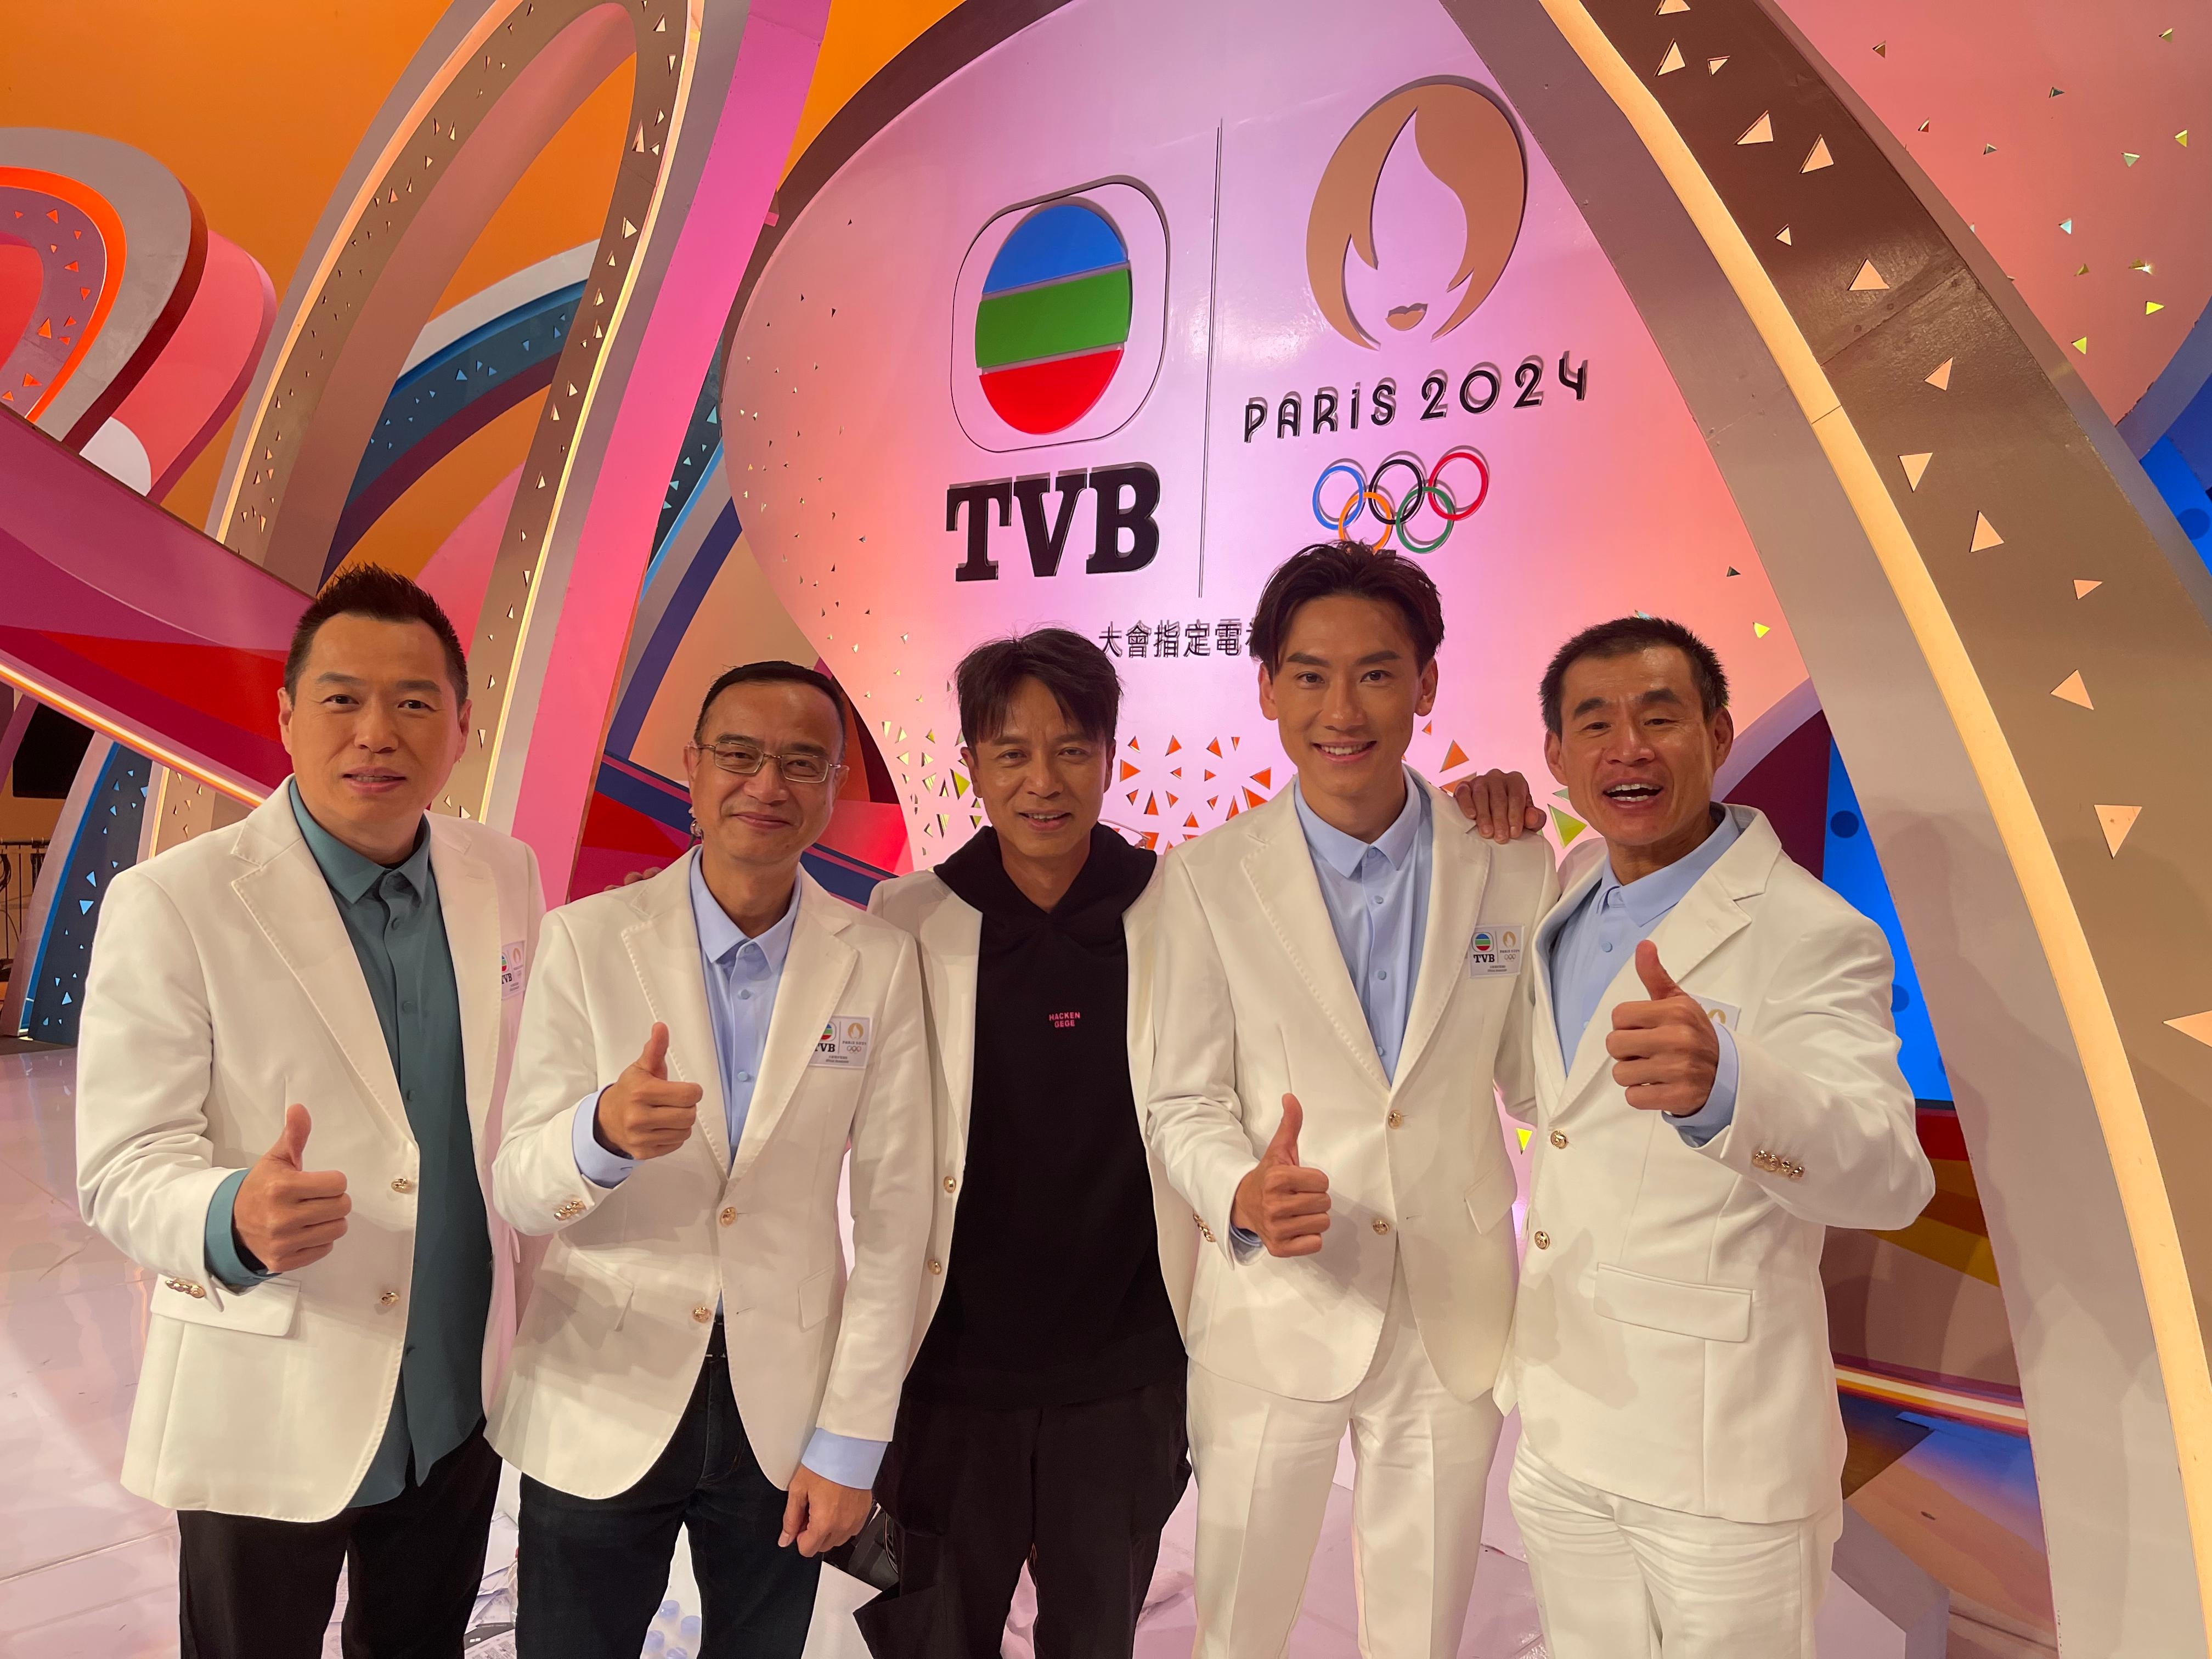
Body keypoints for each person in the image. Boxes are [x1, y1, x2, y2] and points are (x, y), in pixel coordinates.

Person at [75, 566, 544, 1658]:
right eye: (342, 699)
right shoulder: (176, 901)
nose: (377, 732)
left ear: (462, 726)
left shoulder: (503, 873)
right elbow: (122, 1163)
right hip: (270, 1395)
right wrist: (228, 1216)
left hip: (455, 1395)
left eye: (414, 702)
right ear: (287, 716)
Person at [1145, 541, 1558, 1659]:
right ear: (1268, 689)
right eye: (1311, 675)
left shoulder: (1513, 860)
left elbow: (1538, 1075)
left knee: (1421, 1629)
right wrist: (1240, 1189)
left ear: (1426, 684)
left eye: (1377, 673)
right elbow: (1180, 1097)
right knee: (1239, 1624)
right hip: (1276, 1298)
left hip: (1450, 1302)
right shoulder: (1203, 878)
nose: (1343, 709)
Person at [1494, 616, 1934, 1659]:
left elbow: (1890, 1175)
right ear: (1556, 755)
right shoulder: (1568, 884)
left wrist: (1729, 1089)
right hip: (1559, 1426)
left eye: (1661, 717)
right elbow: (1559, 1109)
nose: (1627, 748)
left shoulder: (1811, 931)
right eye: (1593, 723)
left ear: (1720, 732)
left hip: (1716, 1464)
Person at [489, 660, 933, 1659]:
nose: (766, 785)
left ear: (832, 787)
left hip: (787, 1411)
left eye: (801, 763)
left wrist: (853, 1438)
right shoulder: (587, 940)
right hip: (602, 1384)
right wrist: (599, 1136)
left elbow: (898, 1217)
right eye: (739, 754)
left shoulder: (876, 960)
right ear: (692, 767)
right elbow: (518, 1187)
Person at [861, 629, 1196, 1659]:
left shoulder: (1177, 907)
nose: (1043, 782)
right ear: (972, 762)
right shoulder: (908, 917)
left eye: (1072, 750)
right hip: (949, 1371)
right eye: (1012, 753)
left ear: (1110, 756)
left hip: (1126, 1369)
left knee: (1096, 1634)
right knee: (932, 1631)